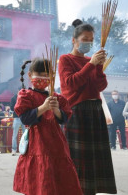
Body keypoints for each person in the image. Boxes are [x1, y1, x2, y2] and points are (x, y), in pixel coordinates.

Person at [58, 19, 117, 194]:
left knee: (94, 158)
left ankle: (91, 190)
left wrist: (98, 67)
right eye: (84, 38)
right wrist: (91, 65)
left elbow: (100, 87)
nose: (88, 43)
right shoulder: (65, 59)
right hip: (77, 111)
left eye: (91, 40)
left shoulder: (91, 60)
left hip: (95, 112)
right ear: (74, 40)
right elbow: (70, 83)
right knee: (78, 158)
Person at [13, 58, 82, 195]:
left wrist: (56, 109)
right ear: (30, 75)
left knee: (59, 179)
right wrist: (43, 108)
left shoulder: (58, 97)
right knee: (40, 177)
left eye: (46, 74)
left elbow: (63, 119)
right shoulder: (26, 95)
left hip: (56, 142)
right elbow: (26, 118)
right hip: (37, 142)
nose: (43, 77)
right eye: (39, 73)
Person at [10, 90, 25, 156]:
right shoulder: (13, 98)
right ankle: (14, 149)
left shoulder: (24, 97)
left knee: (25, 135)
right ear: (18, 91)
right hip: (16, 117)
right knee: (14, 135)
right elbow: (11, 108)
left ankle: (24, 149)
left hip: (24, 117)